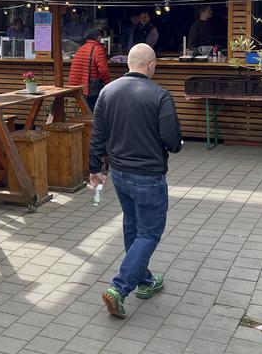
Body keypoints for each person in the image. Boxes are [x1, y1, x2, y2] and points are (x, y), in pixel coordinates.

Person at [90, 43, 182, 319]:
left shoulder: (107, 92)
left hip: (119, 174)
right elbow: (171, 140)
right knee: (149, 233)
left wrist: (95, 168)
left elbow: (98, 136)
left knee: (132, 227)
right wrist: (177, 145)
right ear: (151, 64)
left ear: (128, 63)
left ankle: (144, 280)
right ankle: (119, 288)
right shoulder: (160, 95)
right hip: (149, 176)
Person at [68, 30, 112, 109]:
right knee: (95, 111)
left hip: (80, 87)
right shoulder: (98, 49)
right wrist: (109, 84)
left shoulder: (80, 49)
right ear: (98, 37)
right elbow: (103, 70)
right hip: (92, 88)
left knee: (86, 111)